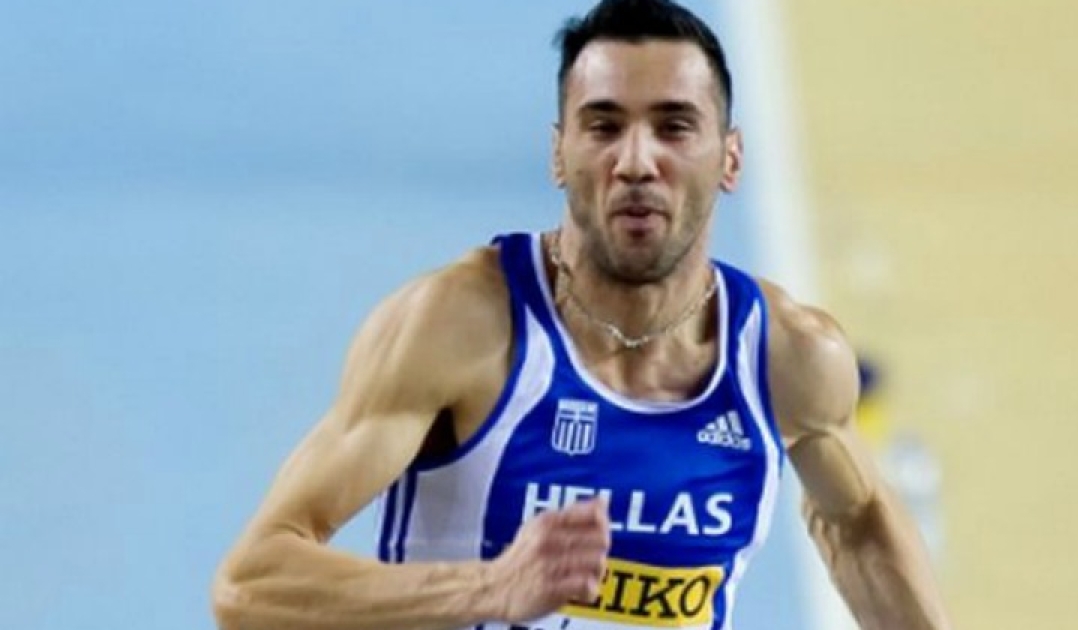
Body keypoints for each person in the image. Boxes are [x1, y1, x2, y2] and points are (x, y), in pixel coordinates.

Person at [210, 1, 952, 629]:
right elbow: (251, 585)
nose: (636, 161)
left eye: (674, 127)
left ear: (729, 159)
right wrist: (489, 588)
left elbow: (858, 523)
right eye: (603, 126)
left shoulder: (788, 358)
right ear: (559, 154)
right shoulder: (462, 327)